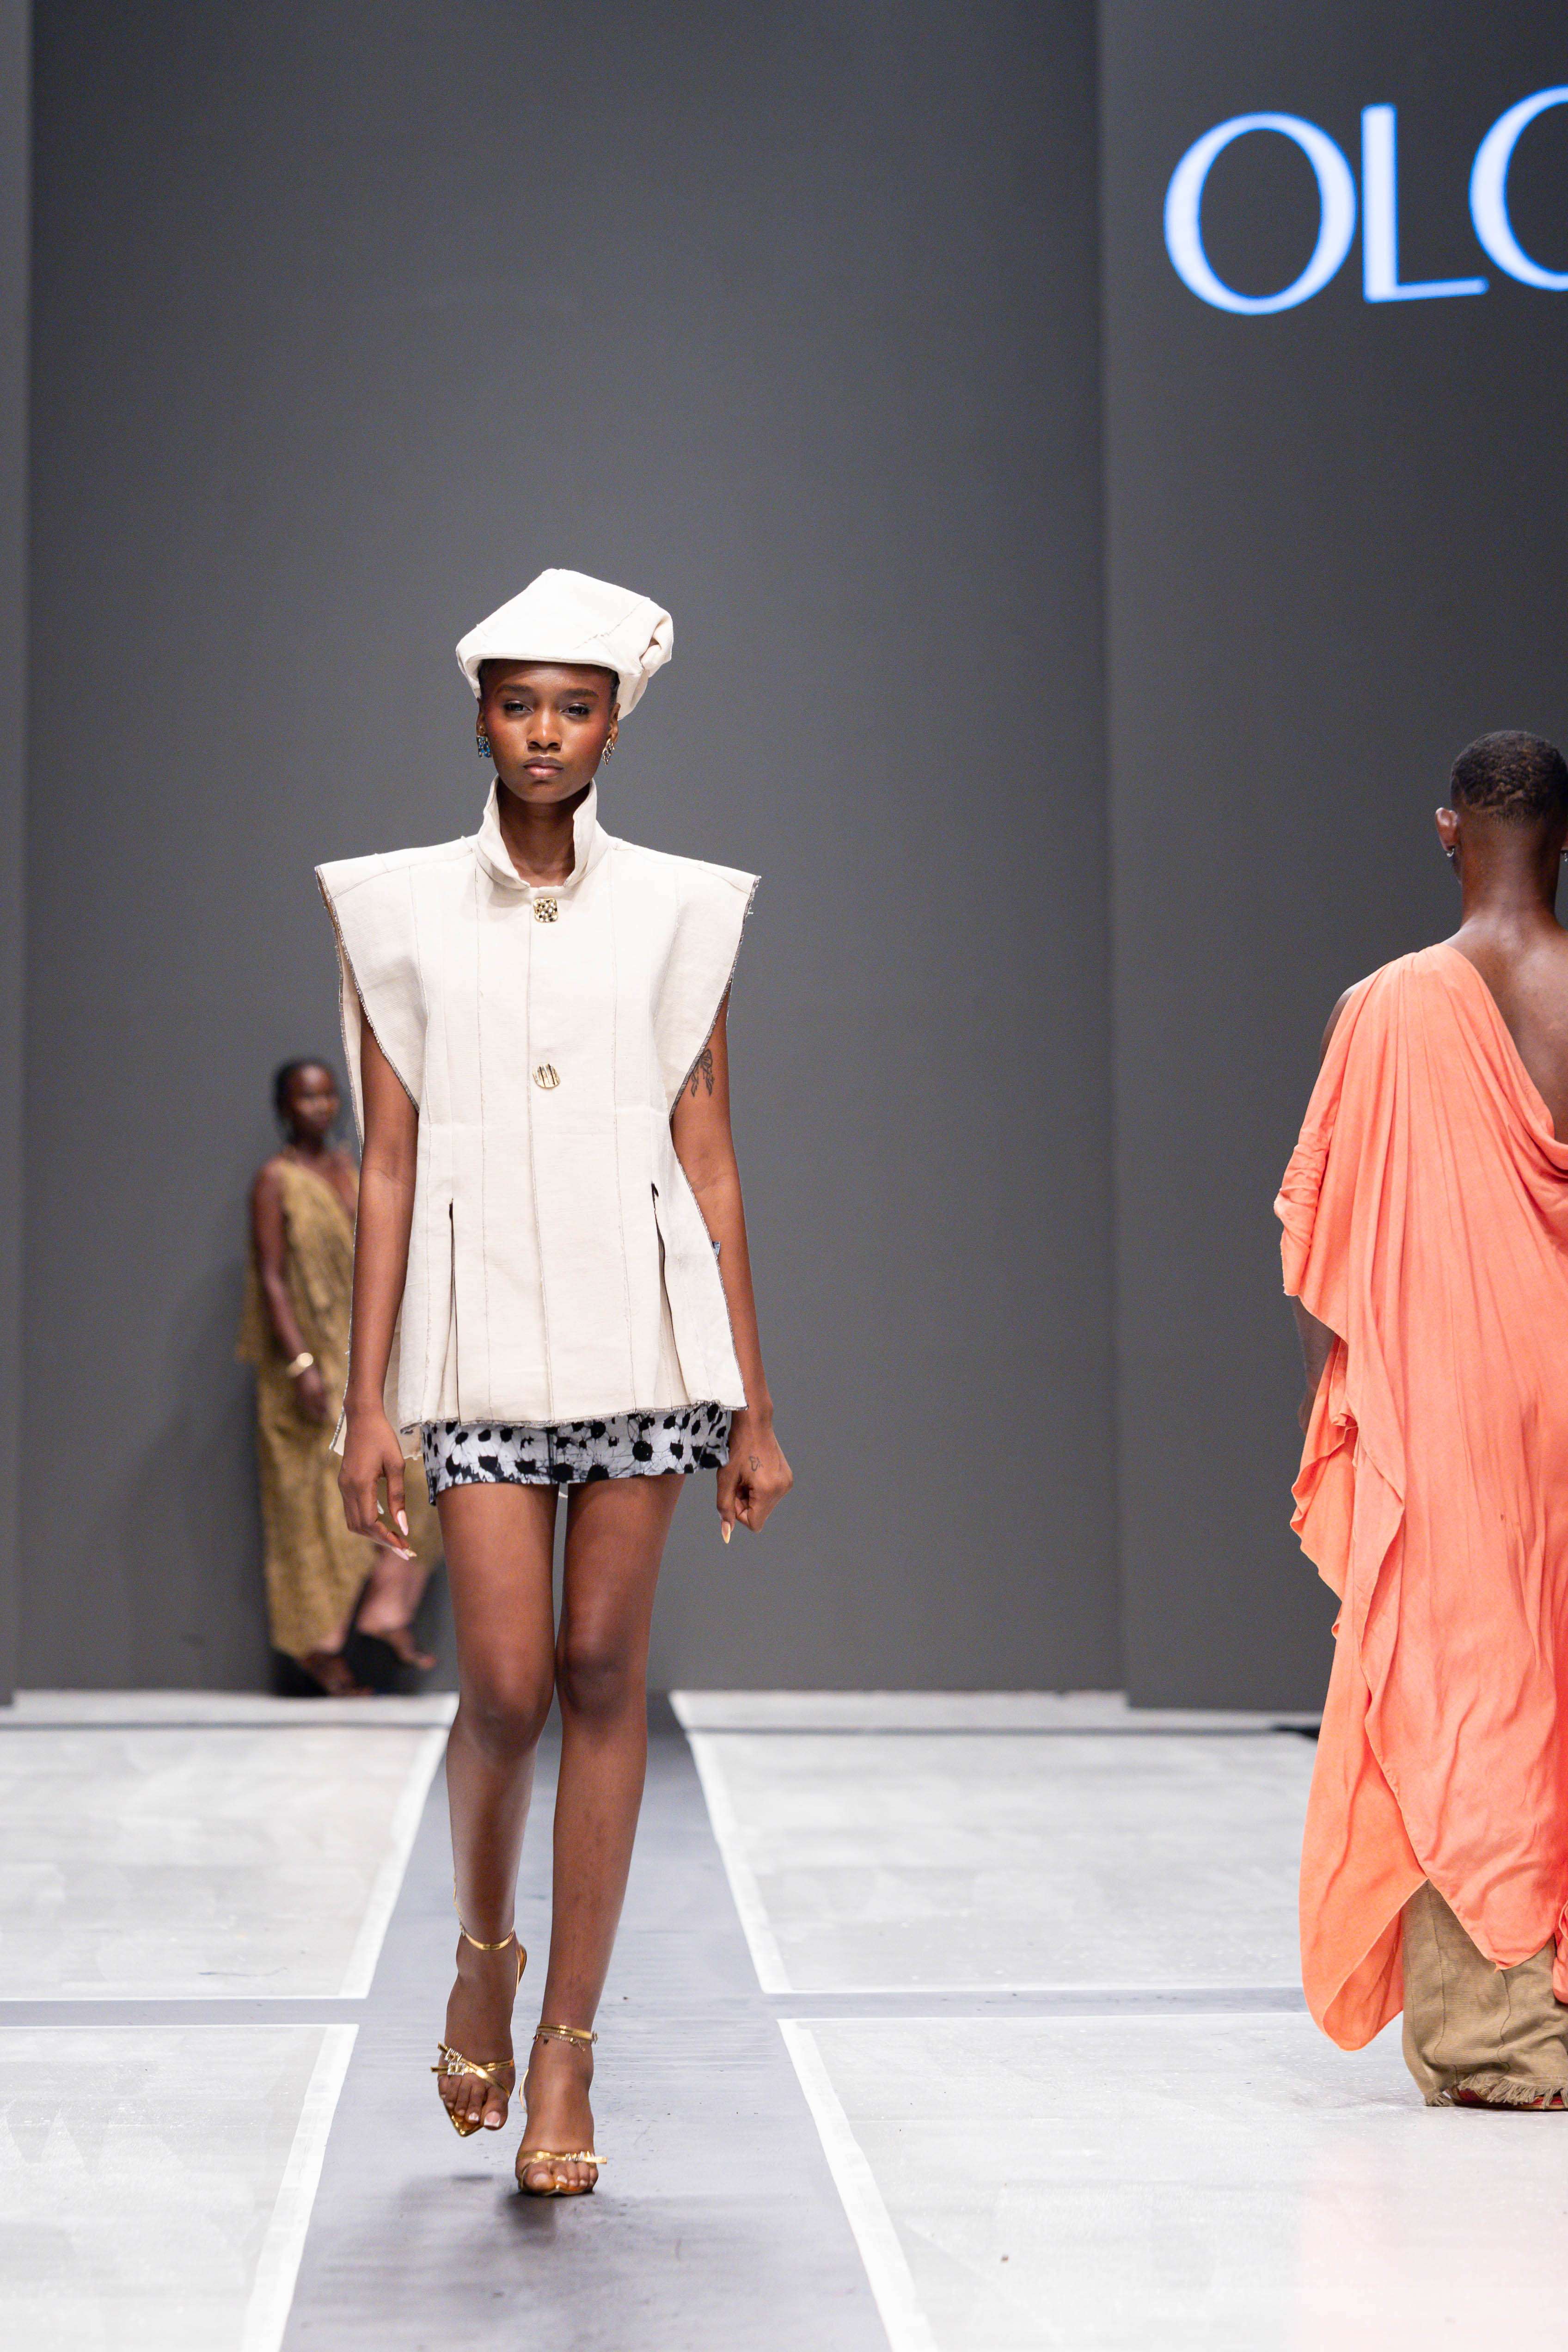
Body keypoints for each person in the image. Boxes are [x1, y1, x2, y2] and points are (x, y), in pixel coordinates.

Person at [317, 567, 792, 2194]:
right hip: (479, 1343)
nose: (542, 731)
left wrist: (753, 1401)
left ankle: (569, 2053)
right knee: (505, 1682)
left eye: (572, 707)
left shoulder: (682, 912)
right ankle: (482, 1956)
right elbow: (387, 1165)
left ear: (612, 728)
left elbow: (711, 1160)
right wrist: (369, 1402)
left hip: (643, 1334)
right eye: (518, 703)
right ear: (480, 717)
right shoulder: (395, 912)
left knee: (601, 1667)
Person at [1278, 729, 1568, 2108]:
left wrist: (1364, 1409)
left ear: (1447, 830)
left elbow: (1320, 1245)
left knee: (1467, 1690)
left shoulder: (1382, 1007)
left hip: (1445, 1413)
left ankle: (1499, 2037)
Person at [239, 1057, 441, 1696]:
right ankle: (320, 1650)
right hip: (305, 1365)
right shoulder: (276, 1180)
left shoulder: (354, 1173)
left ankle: (386, 1612)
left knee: (418, 1482)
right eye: (306, 1097)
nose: (320, 1108)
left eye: (328, 1096)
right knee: (317, 1515)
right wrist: (300, 1362)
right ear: (284, 1106)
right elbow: (271, 1276)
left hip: (359, 1357)